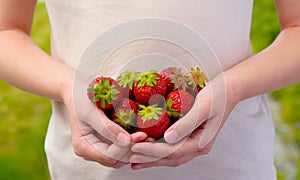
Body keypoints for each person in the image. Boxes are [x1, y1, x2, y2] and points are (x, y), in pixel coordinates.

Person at [0, 0, 299, 179]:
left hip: (231, 165)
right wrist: (67, 87)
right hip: (86, 171)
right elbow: (6, 31)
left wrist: (233, 87)